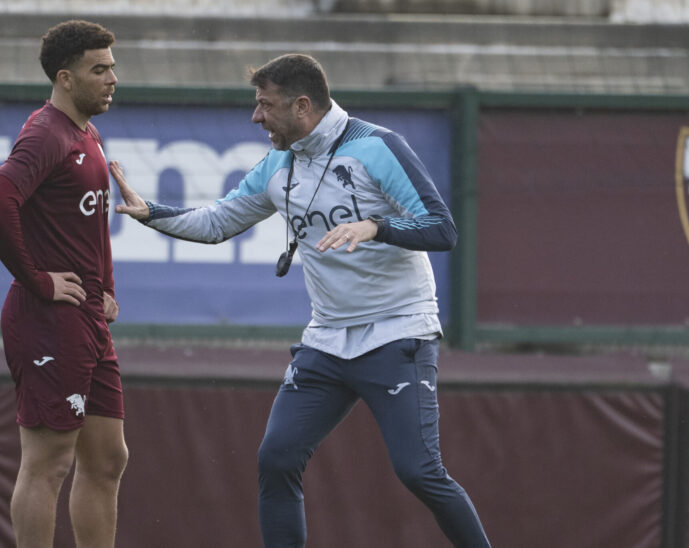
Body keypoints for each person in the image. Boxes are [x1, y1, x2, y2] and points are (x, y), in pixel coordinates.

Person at [112, 53, 490, 547]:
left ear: (303, 106)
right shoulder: (276, 165)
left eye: (265, 105)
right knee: (277, 458)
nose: (256, 117)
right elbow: (217, 222)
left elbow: (442, 229)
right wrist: (150, 213)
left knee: (419, 471)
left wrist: (376, 226)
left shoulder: (378, 147)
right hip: (328, 341)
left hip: (398, 332)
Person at [0, 19, 128, 548]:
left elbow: (90, 220)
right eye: (99, 69)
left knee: (108, 458)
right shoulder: (46, 132)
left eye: (112, 67)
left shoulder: (85, 132)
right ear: (65, 78)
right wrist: (38, 280)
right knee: (49, 463)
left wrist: (105, 286)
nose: (113, 78)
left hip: (86, 317)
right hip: (48, 319)